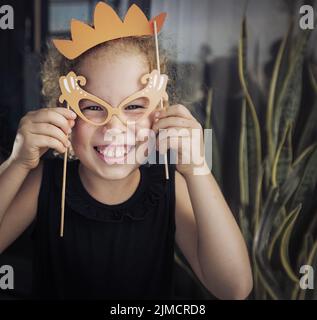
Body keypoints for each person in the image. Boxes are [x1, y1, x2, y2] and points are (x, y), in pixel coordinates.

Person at [0, 2, 252, 300]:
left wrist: (198, 169)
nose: (114, 127)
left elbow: (233, 288)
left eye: (134, 106)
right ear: (64, 114)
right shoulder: (44, 183)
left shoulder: (170, 186)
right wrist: (17, 163)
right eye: (93, 107)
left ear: (160, 111)